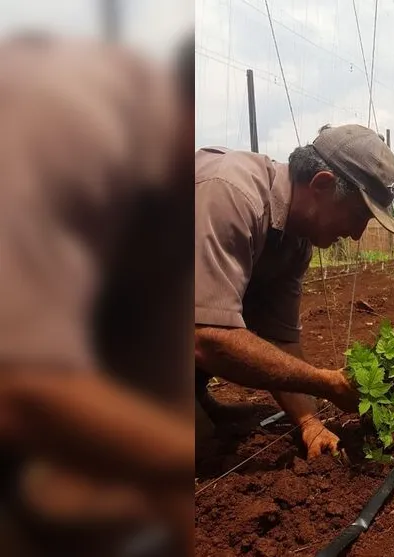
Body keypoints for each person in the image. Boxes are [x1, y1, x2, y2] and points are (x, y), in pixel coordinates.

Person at [0, 34, 195, 556]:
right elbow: (20, 389)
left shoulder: (167, 191)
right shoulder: (63, 116)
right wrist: (179, 459)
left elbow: (156, 363)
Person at [194, 124, 394, 458]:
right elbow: (207, 337)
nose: (357, 234)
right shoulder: (232, 195)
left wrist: (310, 423)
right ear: (321, 184)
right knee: (201, 448)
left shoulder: (296, 243)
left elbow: (280, 339)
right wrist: (325, 382)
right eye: (359, 215)